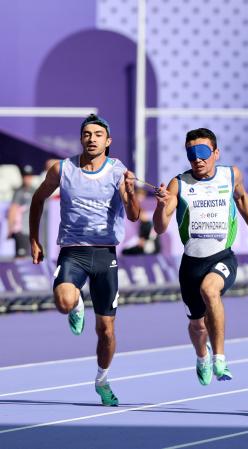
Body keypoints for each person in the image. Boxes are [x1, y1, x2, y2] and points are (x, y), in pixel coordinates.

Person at [29, 114, 140, 406]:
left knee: (106, 330)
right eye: (87, 134)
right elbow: (38, 199)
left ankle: (102, 380)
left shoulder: (118, 171)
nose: (92, 138)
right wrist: (33, 239)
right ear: (81, 139)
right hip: (73, 250)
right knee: (63, 301)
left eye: (98, 134)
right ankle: (76, 302)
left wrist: (129, 192)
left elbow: (134, 215)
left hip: (105, 255)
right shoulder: (62, 169)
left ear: (108, 141)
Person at [153, 127, 248, 386]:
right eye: (192, 154)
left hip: (222, 257)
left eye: (203, 153)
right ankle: (202, 355)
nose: (198, 159)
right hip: (191, 265)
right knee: (197, 325)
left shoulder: (230, 175)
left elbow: (242, 198)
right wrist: (161, 205)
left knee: (210, 291)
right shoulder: (178, 184)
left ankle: (220, 357)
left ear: (216, 153)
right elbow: (159, 227)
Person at [7, 165, 37, 258]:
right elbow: (13, 209)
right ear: (22, 177)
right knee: (20, 257)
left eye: (29, 176)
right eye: (25, 176)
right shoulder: (19, 192)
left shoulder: (35, 190)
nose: (27, 178)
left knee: (29, 256)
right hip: (20, 230)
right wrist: (10, 228)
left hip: (31, 231)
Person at [122, 187, 161, 255]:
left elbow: (153, 242)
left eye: (142, 196)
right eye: (139, 196)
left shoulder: (149, 224)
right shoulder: (135, 222)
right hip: (137, 246)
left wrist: (145, 242)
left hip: (150, 249)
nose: (140, 199)